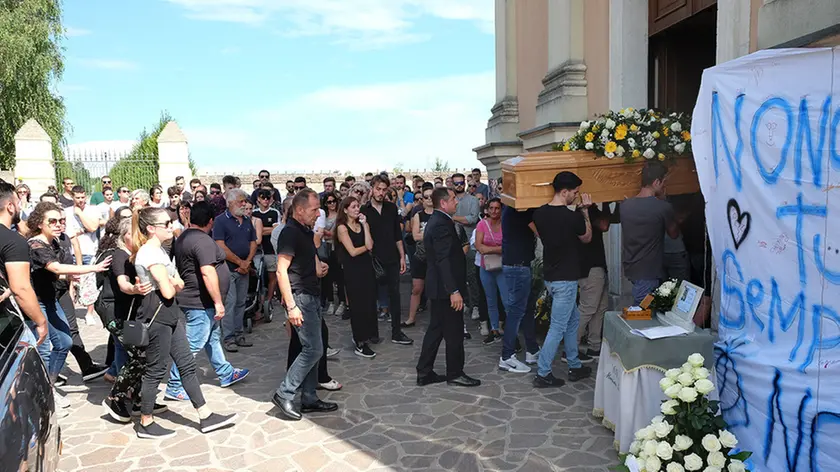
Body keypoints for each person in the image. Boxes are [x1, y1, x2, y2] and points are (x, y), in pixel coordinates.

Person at [131, 207, 237, 438]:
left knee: (187, 364)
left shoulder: (161, 252)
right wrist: (172, 282)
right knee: (155, 370)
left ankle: (205, 415)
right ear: (151, 229)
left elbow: (177, 283)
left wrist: (173, 282)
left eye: (171, 222)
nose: (171, 226)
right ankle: (146, 422)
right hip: (157, 314)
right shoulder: (149, 253)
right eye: (165, 224)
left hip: (169, 313)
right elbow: (170, 290)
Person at [165, 202, 250, 401]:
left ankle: (225, 372)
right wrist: (219, 302)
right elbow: (207, 271)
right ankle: (174, 385)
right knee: (193, 344)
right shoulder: (202, 241)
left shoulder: (185, 236)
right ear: (210, 221)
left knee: (212, 338)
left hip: (197, 300)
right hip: (199, 302)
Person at [26, 202, 111, 385]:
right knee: (45, 347)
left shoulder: (55, 241)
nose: (58, 224)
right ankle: (47, 388)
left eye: (61, 221)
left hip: (51, 298)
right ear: (40, 223)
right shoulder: (35, 244)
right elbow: (53, 267)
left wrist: (68, 276)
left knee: (65, 342)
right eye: (53, 221)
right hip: (36, 301)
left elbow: (50, 272)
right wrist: (93, 268)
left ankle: (50, 382)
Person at [272, 188, 337, 421]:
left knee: (315, 348)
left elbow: (305, 264)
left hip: (311, 295)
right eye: (313, 209)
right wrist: (291, 307)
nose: (318, 213)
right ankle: (285, 393)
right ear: (299, 210)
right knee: (313, 349)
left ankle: (309, 397)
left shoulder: (304, 232)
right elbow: (281, 271)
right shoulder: (290, 233)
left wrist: (319, 269)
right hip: (301, 298)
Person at [532, 172, 594, 387]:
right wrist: (585, 211)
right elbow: (587, 237)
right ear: (564, 191)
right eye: (574, 192)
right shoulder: (572, 217)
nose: (576, 196)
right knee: (557, 326)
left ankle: (575, 365)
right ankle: (543, 372)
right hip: (565, 279)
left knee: (573, 320)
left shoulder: (539, 213)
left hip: (551, 276)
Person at [416, 187, 480, 387]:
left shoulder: (439, 220)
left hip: (439, 286)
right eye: (453, 199)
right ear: (443, 203)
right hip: (445, 289)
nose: (457, 202)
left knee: (436, 329)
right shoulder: (441, 224)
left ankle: (424, 372)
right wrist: (454, 291)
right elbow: (443, 260)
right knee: (453, 333)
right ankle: (455, 373)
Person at [99, 217, 161, 422]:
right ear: (126, 236)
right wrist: (135, 289)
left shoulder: (133, 255)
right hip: (115, 314)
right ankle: (115, 397)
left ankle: (134, 399)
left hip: (128, 314)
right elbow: (123, 283)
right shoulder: (119, 256)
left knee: (127, 353)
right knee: (139, 357)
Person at [362, 175, 413, 346]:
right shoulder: (364, 210)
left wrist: (402, 257)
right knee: (370, 296)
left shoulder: (391, 208)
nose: (381, 193)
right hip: (372, 259)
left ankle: (397, 332)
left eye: (384, 190)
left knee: (395, 295)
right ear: (372, 189)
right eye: (378, 189)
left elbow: (397, 235)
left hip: (391, 256)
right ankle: (372, 333)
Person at [0, 179, 49, 356]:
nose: (20, 207)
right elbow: (20, 287)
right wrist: (40, 320)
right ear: (10, 206)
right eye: (18, 203)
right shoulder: (13, 242)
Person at [619, 161, 679, 303]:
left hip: (631, 267)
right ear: (657, 182)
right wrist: (665, 202)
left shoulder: (625, 205)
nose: (665, 185)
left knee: (643, 308)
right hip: (649, 270)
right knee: (643, 313)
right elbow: (674, 234)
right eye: (664, 182)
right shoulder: (662, 207)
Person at [497, 205, 541, 375]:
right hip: (518, 267)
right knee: (516, 312)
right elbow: (539, 232)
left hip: (519, 266)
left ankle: (532, 350)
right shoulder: (518, 210)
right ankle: (507, 356)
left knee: (527, 309)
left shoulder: (514, 209)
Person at [213, 188, 257, 352]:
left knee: (240, 302)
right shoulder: (220, 221)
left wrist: (247, 262)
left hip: (244, 269)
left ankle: (239, 334)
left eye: (244, 201)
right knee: (230, 303)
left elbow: (253, 242)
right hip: (229, 269)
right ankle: (229, 337)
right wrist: (240, 262)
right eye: (241, 201)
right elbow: (220, 245)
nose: (244, 204)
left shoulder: (246, 220)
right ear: (230, 202)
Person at [335, 196, 377, 357]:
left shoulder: (360, 224)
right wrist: (366, 247)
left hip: (366, 268)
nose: (356, 209)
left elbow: (370, 244)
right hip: (353, 271)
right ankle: (360, 341)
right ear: (345, 209)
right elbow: (352, 251)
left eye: (357, 206)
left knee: (368, 303)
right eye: (353, 207)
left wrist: (366, 225)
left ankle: (365, 335)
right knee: (357, 305)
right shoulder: (342, 228)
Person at [577, 204, 613, 360]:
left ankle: (594, 347)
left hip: (597, 266)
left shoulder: (592, 210)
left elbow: (612, 220)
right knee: (587, 309)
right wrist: (606, 202)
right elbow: (604, 225)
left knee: (600, 308)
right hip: (590, 268)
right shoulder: (585, 211)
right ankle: (572, 348)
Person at [65, 185, 103, 326]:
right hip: (71, 251)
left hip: (89, 250)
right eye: (77, 198)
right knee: (71, 282)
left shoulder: (92, 210)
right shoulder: (66, 211)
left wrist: (80, 214)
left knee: (89, 283)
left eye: (82, 197)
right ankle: (70, 313)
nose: (80, 200)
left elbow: (93, 227)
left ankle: (89, 313)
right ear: (72, 197)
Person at [474, 197, 507, 344]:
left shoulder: (506, 224)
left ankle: (511, 332)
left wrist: (490, 249)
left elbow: (509, 247)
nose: (494, 211)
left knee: (506, 301)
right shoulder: (482, 225)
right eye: (491, 208)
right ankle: (494, 330)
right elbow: (479, 247)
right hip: (485, 267)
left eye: (497, 208)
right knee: (490, 299)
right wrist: (498, 249)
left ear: (501, 209)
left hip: (502, 268)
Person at [450, 173, 481, 322]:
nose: (459, 185)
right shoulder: (449, 200)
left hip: (470, 242)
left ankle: (475, 305)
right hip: (452, 243)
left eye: (461, 182)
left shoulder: (473, 200)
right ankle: (465, 302)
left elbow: (472, 219)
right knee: (457, 275)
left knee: (471, 275)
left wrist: (454, 218)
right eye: (455, 183)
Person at [404, 185, 434, 327]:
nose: (429, 199)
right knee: (416, 288)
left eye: (431, 196)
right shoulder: (418, 215)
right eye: (426, 197)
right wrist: (432, 235)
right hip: (421, 256)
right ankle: (411, 318)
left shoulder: (440, 214)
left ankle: (438, 319)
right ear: (422, 199)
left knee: (436, 289)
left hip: (436, 257)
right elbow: (415, 235)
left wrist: (425, 235)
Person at [253, 189, 281, 320]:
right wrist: (264, 230)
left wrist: (260, 230)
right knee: (258, 277)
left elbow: (276, 230)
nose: (265, 200)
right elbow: (253, 233)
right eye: (263, 197)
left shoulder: (275, 213)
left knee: (272, 276)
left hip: (271, 250)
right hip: (257, 251)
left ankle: (268, 300)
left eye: (267, 198)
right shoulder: (253, 213)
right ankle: (259, 302)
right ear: (258, 199)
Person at [320, 192, 344, 316]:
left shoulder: (340, 216)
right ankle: (330, 301)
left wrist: (326, 232)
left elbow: (337, 233)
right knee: (327, 277)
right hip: (325, 247)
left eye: (334, 201)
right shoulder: (322, 215)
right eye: (329, 202)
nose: (332, 204)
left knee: (339, 276)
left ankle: (341, 302)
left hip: (336, 247)